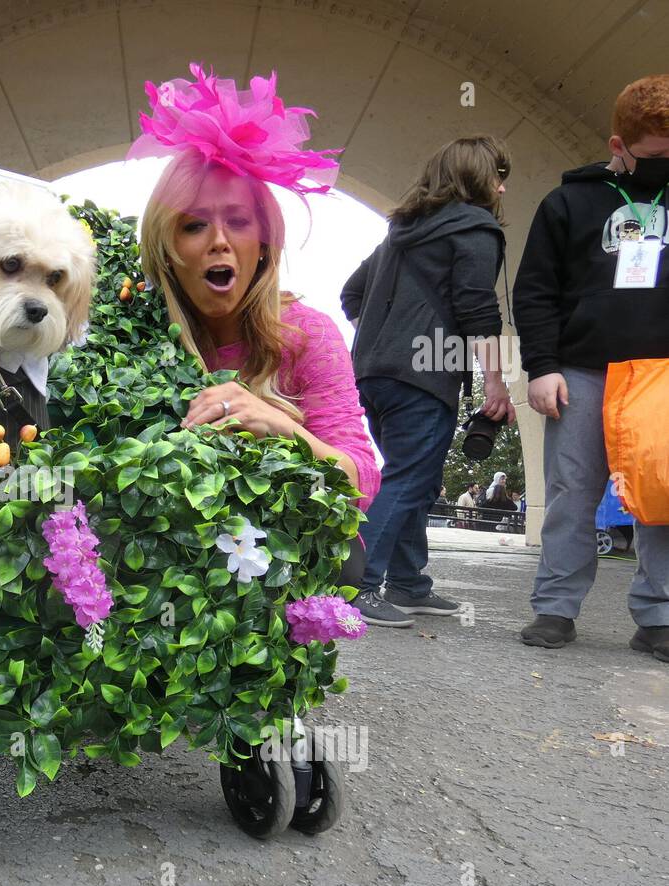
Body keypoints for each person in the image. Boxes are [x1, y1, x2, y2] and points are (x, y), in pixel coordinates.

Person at [130, 67, 381, 590]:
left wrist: (277, 424)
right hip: (158, 564)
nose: (219, 241)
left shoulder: (308, 333)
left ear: (263, 242)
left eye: (238, 222)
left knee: (347, 562)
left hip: (273, 563)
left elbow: (360, 479)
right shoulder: (134, 333)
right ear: (167, 249)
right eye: (194, 224)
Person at [515, 74, 669, 658]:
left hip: (662, 375)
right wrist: (541, 366)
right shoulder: (566, 203)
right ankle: (555, 609)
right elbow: (535, 290)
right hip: (581, 370)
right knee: (571, 491)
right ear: (618, 147)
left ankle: (659, 615)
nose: (665, 164)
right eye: (654, 156)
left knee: (661, 495)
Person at [341, 137, 516, 627]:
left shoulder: (400, 233)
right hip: (422, 376)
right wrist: (496, 385)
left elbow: (351, 294)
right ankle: (358, 586)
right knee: (409, 476)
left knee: (414, 477)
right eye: (498, 175)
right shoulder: (477, 229)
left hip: (373, 375)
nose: (503, 187)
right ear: (479, 178)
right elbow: (479, 310)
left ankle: (409, 584)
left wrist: (385, 338)